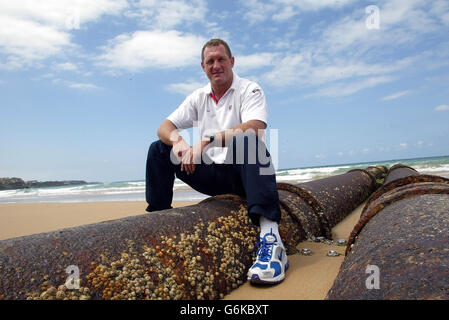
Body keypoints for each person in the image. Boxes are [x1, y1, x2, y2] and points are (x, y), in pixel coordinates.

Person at [145, 39, 288, 285]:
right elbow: (163, 127)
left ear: (231, 62)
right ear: (203, 67)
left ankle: (271, 237)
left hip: (243, 175)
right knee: (160, 149)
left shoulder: (249, 89)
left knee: (246, 140)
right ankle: (158, 216)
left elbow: (255, 127)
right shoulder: (198, 97)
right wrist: (178, 142)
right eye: (210, 61)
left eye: (221, 59)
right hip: (212, 175)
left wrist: (208, 140)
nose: (216, 65)